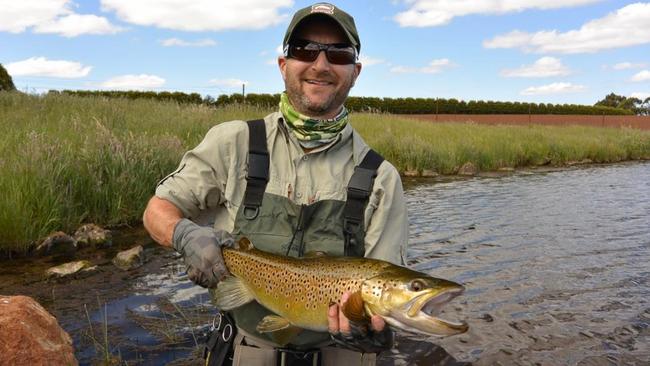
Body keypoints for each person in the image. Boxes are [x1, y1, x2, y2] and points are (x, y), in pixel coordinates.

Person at [142, 2, 408, 365]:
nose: (320, 64)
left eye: (338, 53)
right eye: (304, 50)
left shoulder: (381, 178)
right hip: (242, 353)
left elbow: (389, 289)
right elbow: (158, 210)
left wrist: (377, 334)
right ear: (284, 65)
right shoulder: (232, 143)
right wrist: (184, 235)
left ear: (355, 71)